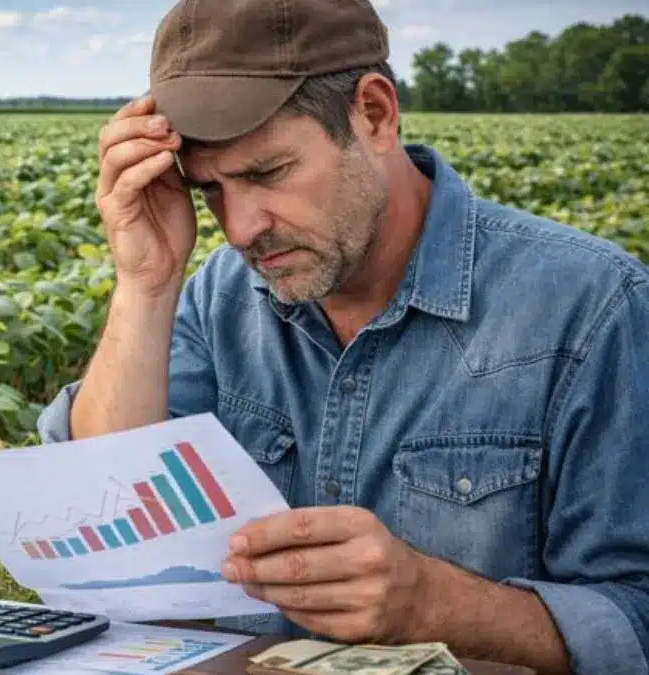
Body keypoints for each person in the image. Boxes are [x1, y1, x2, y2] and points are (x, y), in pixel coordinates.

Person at [34, 1, 649, 674]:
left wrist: (435, 603)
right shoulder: (218, 297)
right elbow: (104, 527)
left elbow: (636, 618)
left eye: (268, 173)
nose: (239, 229)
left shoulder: (589, 309)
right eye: (210, 189)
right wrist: (146, 284)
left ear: (375, 114)